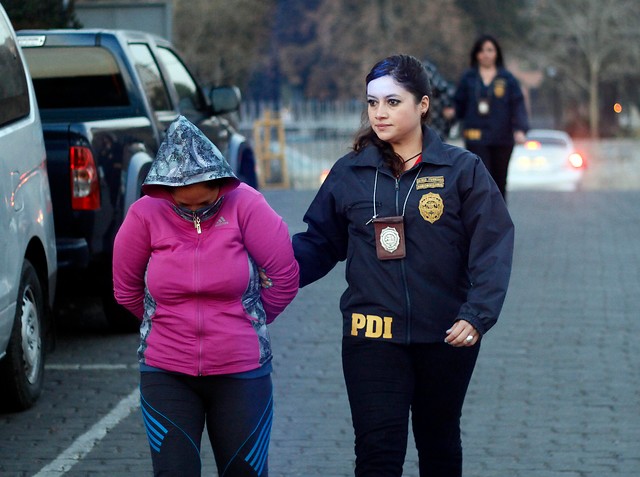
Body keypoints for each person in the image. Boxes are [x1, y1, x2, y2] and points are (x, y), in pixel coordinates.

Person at [291, 55, 514, 476]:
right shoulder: (349, 172)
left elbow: (493, 244)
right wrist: (267, 271)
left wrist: (478, 313)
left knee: (439, 443)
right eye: (373, 103)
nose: (380, 113)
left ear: (423, 105)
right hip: (371, 333)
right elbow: (319, 243)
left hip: (446, 335)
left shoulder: (461, 171)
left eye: (393, 102)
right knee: (377, 454)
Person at [112, 116, 299, 477]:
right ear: (166, 190)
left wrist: (250, 318)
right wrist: (163, 322)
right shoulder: (144, 215)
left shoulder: (247, 205)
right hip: (167, 372)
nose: (196, 212)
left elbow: (285, 277)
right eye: (185, 206)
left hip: (242, 372)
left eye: (206, 203)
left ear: (220, 183)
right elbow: (125, 289)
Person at [444, 34, 529, 200]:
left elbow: (517, 104)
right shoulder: (468, 78)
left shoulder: (507, 79)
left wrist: (520, 129)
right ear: (476, 54)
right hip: (476, 138)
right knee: (480, 179)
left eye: (490, 50)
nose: (486, 54)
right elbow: (459, 102)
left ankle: (499, 221)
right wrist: (452, 112)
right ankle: (481, 219)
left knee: (499, 181)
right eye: (482, 50)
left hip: (502, 138)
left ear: (496, 53)